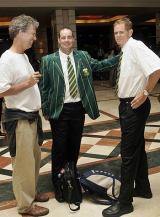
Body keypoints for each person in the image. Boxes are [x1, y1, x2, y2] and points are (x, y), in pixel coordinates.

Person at [39, 27, 120, 202]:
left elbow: (100, 65)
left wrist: (121, 56)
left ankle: (71, 177)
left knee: (74, 146)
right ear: (59, 40)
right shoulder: (48, 60)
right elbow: (44, 87)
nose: (67, 40)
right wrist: (46, 109)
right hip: (59, 110)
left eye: (70, 37)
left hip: (78, 109)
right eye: (63, 37)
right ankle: (58, 183)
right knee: (60, 148)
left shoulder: (82, 56)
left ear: (73, 39)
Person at [102, 18, 160, 217]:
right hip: (127, 105)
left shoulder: (135, 46)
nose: (118, 35)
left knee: (127, 154)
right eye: (116, 32)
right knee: (137, 149)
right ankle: (143, 187)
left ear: (130, 32)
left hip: (133, 106)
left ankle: (125, 202)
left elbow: (157, 69)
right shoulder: (126, 50)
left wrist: (145, 92)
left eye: (121, 32)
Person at [0, 14, 49, 216]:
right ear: (20, 33)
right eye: (32, 33)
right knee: (22, 163)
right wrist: (27, 84)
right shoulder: (6, 59)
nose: (34, 37)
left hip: (31, 117)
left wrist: (32, 82)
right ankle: (25, 206)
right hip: (19, 119)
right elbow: (1, 91)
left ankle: (31, 192)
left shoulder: (24, 56)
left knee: (34, 160)